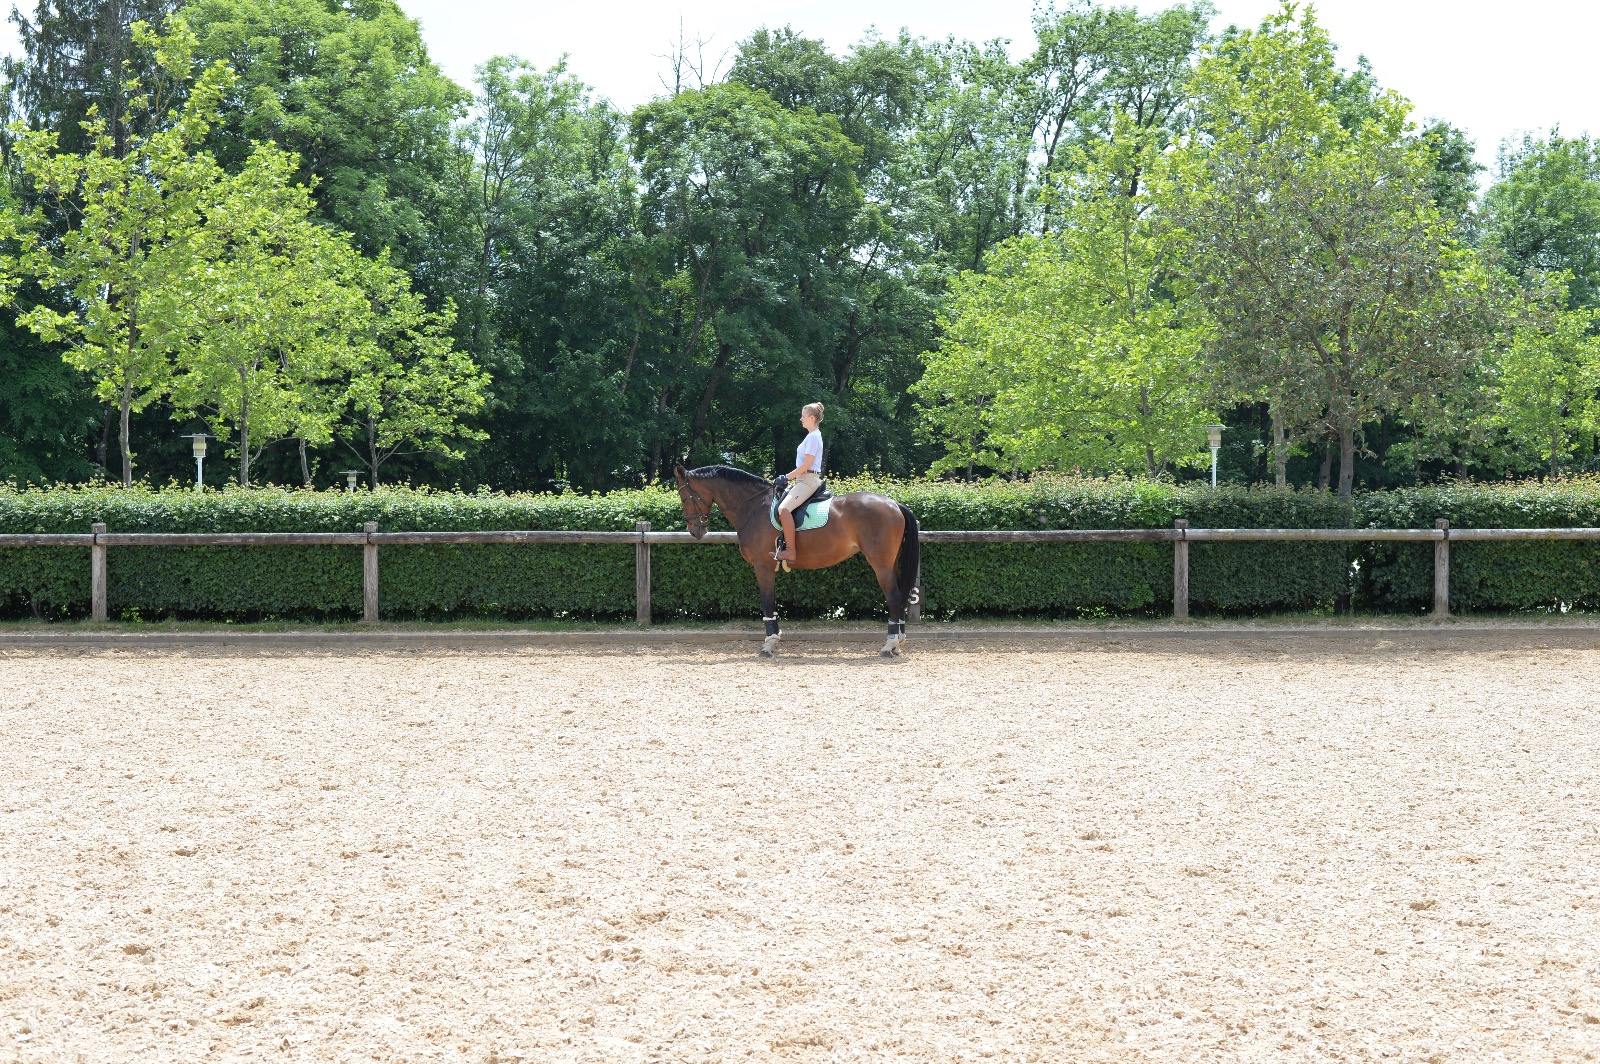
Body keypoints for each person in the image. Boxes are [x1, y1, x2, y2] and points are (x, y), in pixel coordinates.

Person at [774, 402, 825, 563]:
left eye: (803, 416)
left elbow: (806, 465)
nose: (801, 419)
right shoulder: (812, 436)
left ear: (811, 417)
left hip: (808, 481)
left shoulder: (813, 437)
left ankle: (790, 551)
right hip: (802, 480)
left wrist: (786, 477)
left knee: (783, 509)